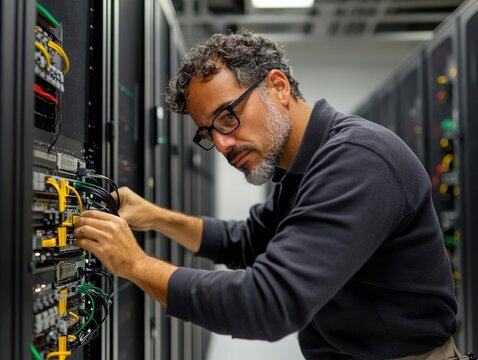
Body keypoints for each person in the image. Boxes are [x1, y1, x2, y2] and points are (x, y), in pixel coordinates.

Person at [74, 30, 460, 359]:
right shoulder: (301, 168)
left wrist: (135, 264)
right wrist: (155, 216)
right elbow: (244, 241)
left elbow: (268, 303)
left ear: (277, 86)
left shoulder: (357, 160)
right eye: (209, 133)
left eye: (228, 115)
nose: (223, 144)